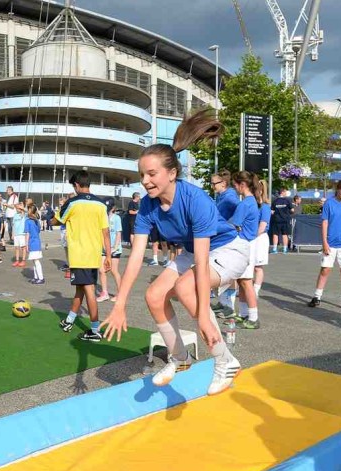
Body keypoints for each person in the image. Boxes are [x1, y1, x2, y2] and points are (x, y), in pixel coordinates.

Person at [102, 109, 246, 395]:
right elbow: (135, 258)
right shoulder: (147, 206)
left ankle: (224, 359)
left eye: (152, 173)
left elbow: (203, 263)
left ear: (172, 173)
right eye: (142, 174)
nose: (145, 180)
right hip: (196, 251)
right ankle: (180, 357)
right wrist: (120, 303)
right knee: (154, 295)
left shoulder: (196, 200)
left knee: (185, 288)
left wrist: (203, 313)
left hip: (229, 248)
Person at [53, 171, 111, 342]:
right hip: (93, 254)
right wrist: (108, 256)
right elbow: (106, 232)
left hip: (79, 254)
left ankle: (95, 330)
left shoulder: (72, 203)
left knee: (89, 290)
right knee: (81, 288)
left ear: (77, 185)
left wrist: (42, 218)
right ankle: (70, 321)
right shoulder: (100, 204)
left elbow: (57, 220)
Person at [308, 179, 341, 310]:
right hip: (331, 243)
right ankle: (317, 297)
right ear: (338, 189)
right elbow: (324, 223)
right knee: (325, 269)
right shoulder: (329, 203)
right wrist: (325, 242)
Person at [228, 171, 262, 329]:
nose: (235, 188)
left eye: (235, 185)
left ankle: (254, 318)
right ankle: (243, 314)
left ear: (242, 185)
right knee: (241, 281)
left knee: (246, 282)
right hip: (247, 243)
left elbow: (232, 225)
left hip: (245, 245)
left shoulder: (245, 203)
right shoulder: (251, 201)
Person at [211, 170, 240, 316]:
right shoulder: (221, 196)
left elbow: (239, 209)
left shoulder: (229, 196)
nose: (212, 186)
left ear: (223, 183)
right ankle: (222, 302)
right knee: (219, 270)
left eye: (214, 183)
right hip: (219, 236)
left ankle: (229, 305)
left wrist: (233, 224)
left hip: (227, 237)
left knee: (227, 272)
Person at [97, 198, 123, 303]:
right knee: (101, 270)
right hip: (104, 248)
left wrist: (114, 247)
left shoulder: (116, 218)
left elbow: (118, 234)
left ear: (113, 208)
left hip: (114, 249)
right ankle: (104, 293)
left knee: (113, 270)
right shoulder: (102, 218)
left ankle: (121, 293)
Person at [254, 181, 271, 298]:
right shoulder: (253, 205)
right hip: (252, 237)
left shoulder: (265, 207)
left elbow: (262, 226)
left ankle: (255, 290)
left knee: (258, 267)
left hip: (260, 238)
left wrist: (251, 235)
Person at [24, 204, 45, 284]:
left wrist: (26, 244)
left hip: (32, 242)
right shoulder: (36, 221)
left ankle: (41, 278)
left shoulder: (28, 221)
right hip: (37, 241)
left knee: (36, 261)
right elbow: (38, 231)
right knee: (35, 260)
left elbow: (27, 234)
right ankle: (36, 277)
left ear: (29, 211)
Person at [270, 188, 293, 253]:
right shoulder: (287, 201)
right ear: (282, 192)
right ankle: (285, 249)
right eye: (285, 192)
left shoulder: (275, 201)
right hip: (285, 220)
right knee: (285, 234)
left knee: (275, 234)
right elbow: (292, 210)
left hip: (277, 220)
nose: (286, 193)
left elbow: (272, 211)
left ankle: (274, 249)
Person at [12, 202, 28, 267]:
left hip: (22, 234)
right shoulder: (15, 215)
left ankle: (23, 260)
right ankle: (17, 260)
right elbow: (13, 225)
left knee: (23, 247)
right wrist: (13, 234)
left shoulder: (24, 214)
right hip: (16, 234)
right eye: (16, 208)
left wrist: (21, 208)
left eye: (18, 208)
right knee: (16, 247)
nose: (16, 209)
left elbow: (26, 211)